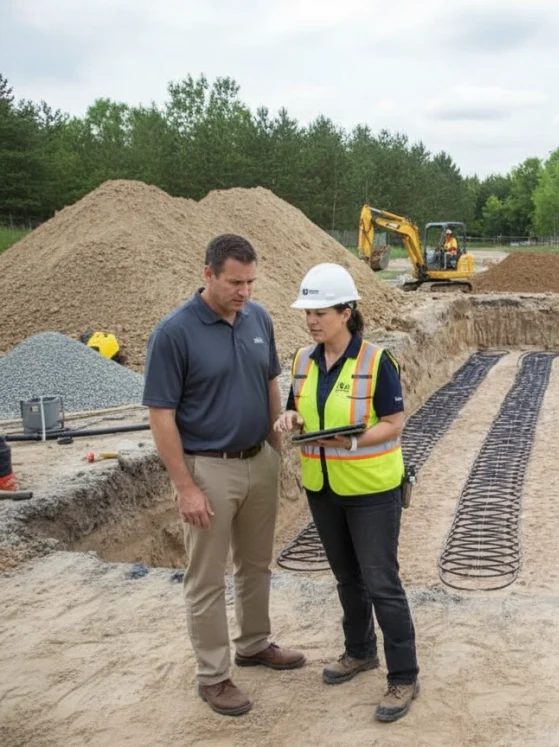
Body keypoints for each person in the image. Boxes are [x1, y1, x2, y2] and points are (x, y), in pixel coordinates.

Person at [143, 234, 306, 718]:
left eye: (251, 282)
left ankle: (254, 644)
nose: (245, 292)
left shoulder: (258, 319)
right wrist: (185, 487)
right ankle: (213, 676)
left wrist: (275, 450)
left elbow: (270, 381)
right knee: (207, 578)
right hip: (208, 468)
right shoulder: (174, 332)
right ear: (208, 274)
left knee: (255, 564)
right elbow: (161, 416)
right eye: (235, 282)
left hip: (258, 459)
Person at [274, 262, 420, 723]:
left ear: (347, 311)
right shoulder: (302, 359)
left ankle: (404, 676)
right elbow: (299, 407)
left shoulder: (377, 362)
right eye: (308, 312)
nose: (313, 319)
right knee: (346, 579)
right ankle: (359, 652)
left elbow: (395, 423)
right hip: (323, 487)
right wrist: (290, 417)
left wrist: (353, 441)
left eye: (322, 311)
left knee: (382, 583)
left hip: (372, 490)